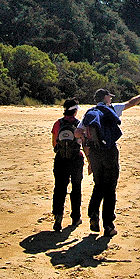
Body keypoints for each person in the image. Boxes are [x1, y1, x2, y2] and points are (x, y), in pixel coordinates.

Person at [77, 85, 140, 237]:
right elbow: (131, 102)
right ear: (105, 98)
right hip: (110, 152)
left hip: (95, 154)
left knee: (99, 185)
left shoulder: (90, 113)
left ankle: (93, 214)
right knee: (110, 189)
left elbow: (78, 132)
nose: (111, 98)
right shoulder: (112, 109)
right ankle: (108, 225)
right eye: (109, 96)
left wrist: (88, 153)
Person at [50, 98, 84, 232]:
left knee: (59, 188)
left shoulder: (58, 124)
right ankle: (75, 217)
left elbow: (54, 144)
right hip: (76, 159)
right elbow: (83, 142)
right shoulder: (79, 124)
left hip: (60, 159)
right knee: (76, 188)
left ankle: (58, 217)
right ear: (75, 111)